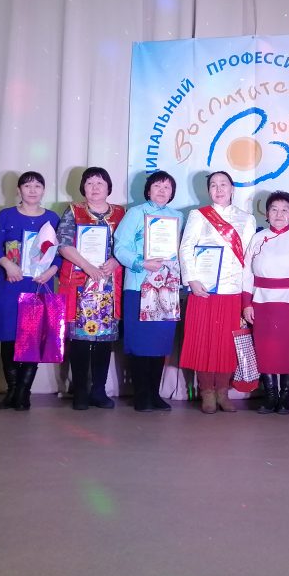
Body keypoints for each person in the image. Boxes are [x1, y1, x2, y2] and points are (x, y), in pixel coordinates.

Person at [179, 171, 257, 414]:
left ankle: (223, 391)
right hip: (204, 289)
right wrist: (191, 279)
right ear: (208, 190)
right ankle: (206, 391)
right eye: (213, 185)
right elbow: (186, 247)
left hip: (232, 290)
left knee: (227, 343)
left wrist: (247, 294)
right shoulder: (198, 215)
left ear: (232, 188)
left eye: (223, 184)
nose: (219, 189)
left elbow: (248, 259)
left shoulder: (247, 219)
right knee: (203, 340)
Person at [0, 171, 61, 411]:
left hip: (38, 284)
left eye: (37, 186)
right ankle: (11, 390)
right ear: (18, 190)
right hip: (10, 282)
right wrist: (7, 265)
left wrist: (52, 271)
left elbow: (60, 252)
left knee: (32, 337)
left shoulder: (52, 218)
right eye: (27, 186)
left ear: (43, 190)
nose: (32, 190)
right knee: (9, 337)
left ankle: (23, 392)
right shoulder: (6, 215)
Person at [113, 170, 184, 412]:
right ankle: (141, 395)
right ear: (148, 190)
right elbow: (120, 247)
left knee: (160, 343)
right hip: (139, 284)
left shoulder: (178, 217)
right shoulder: (136, 213)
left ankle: (155, 394)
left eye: (167, 187)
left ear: (172, 192)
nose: (162, 191)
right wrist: (142, 263)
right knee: (141, 342)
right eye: (157, 186)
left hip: (167, 288)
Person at [57, 167, 125, 410]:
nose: (95, 188)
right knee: (80, 339)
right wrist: (87, 266)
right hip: (80, 284)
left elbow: (128, 245)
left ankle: (99, 390)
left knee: (104, 340)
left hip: (108, 285)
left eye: (100, 183)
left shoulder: (121, 213)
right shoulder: (73, 211)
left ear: (108, 187)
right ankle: (80, 391)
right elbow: (63, 244)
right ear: (83, 188)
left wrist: (116, 260)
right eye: (90, 183)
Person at [241, 191, 289, 415]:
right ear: (267, 213)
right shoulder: (258, 238)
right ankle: (270, 397)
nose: (279, 214)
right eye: (274, 209)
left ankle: (286, 398)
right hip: (262, 302)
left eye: (284, 210)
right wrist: (247, 303)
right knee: (265, 350)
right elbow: (246, 273)